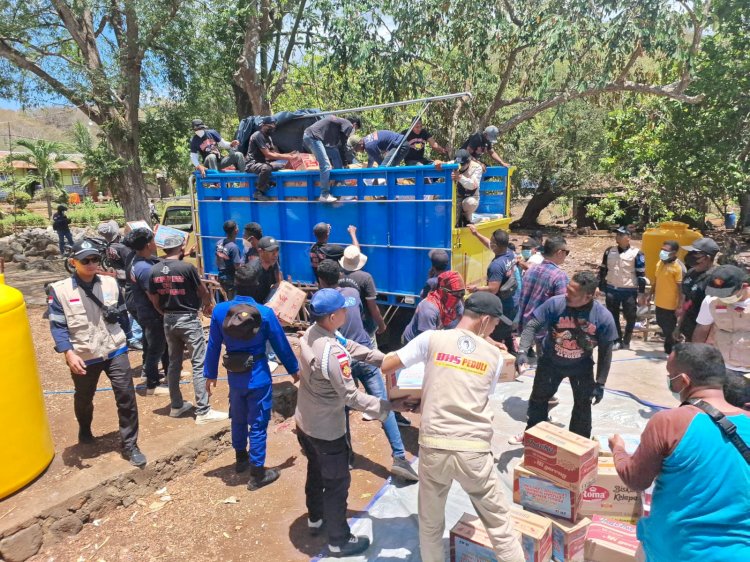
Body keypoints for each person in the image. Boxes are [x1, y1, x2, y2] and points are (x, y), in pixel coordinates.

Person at [381, 292, 524, 562]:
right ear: (484, 320)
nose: (494, 329)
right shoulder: (493, 356)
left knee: (431, 525)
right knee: (500, 528)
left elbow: (388, 364)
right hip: (473, 451)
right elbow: (472, 393)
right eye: (494, 324)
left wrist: (418, 396)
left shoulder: (431, 338)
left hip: (434, 446)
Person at [294, 288, 415, 558]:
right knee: (337, 483)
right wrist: (388, 407)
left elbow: (349, 346)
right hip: (327, 429)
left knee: (315, 470)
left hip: (305, 421)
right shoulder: (332, 355)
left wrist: (386, 359)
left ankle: (316, 517)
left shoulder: (314, 333)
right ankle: (339, 540)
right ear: (334, 316)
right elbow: (350, 396)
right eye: (344, 309)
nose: (348, 312)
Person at [609, 343, 750, 562]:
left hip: (677, 550)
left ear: (683, 381)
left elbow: (635, 479)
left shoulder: (669, 422)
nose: (669, 380)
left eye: (670, 375)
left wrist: (618, 450)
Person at [316, 259, 418, 480]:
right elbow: (363, 316)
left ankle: (347, 455)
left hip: (342, 357)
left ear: (321, 280)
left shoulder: (323, 303)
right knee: (383, 405)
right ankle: (400, 457)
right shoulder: (352, 292)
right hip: (364, 351)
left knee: (342, 406)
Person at [48, 240, 145, 466]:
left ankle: (130, 445)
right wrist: (68, 354)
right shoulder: (60, 291)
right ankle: (84, 428)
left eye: (94, 259)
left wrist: (129, 337)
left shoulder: (111, 283)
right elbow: (58, 326)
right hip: (84, 354)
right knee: (84, 397)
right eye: (85, 260)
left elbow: (122, 313)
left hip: (115, 349)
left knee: (126, 397)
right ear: (73, 262)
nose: (91, 264)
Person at [204, 264, 299, 490]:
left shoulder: (220, 311)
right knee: (257, 423)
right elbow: (281, 344)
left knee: (237, 418)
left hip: (234, 376)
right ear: (257, 284)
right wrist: (294, 370)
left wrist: (210, 374)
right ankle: (257, 475)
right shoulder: (265, 313)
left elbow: (213, 345)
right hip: (258, 375)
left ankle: (240, 460)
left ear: (235, 284)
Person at [515, 271, 618, 438]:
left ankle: (577, 446)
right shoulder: (555, 304)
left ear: (588, 296)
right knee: (538, 400)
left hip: (581, 366)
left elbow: (606, 352)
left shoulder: (603, 317)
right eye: (567, 289)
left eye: (572, 292)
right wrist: (522, 351)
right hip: (550, 362)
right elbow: (532, 326)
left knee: (583, 406)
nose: (566, 294)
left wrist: (600, 383)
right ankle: (533, 440)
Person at [148, 235, 228, 425]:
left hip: (168, 319)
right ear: (181, 247)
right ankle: (203, 410)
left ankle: (176, 405)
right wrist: (208, 305)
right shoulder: (187, 268)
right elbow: (201, 290)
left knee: (174, 363)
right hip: (188, 319)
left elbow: (153, 297)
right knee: (199, 363)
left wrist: (164, 312)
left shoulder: (154, 270)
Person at [692, 265, 750, 406]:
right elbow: (701, 329)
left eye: (727, 294)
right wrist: (696, 360)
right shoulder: (711, 302)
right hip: (723, 370)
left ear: (743, 286)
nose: (723, 298)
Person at [124, 228, 169, 395]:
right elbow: (153, 296)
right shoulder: (143, 268)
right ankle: (152, 384)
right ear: (148, 244)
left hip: (150, 313)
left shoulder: (140, 261)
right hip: (151, 314)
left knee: (160, 344)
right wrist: (162, 311)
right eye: (153, 239)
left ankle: (168, 371)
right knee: (155, 348)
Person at [466, 226, 518, 353]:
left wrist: (476, 289)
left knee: (495, 340)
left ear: (496, 245)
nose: (490, 243)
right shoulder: (510, 253)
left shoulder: (496, 266)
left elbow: (493, 289)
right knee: (507, 332)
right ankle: (513, 356)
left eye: (492, 241)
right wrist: (476, 234)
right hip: (512, 301)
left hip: (502, 306)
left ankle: (504, 364)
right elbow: (490, 244)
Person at [598, 226, 647, 350]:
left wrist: (641, 293)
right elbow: (603, 270)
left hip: (629, 290)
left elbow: (641, 275)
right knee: (612, 316)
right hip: (612, 289)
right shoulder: (609, 251)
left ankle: (627, 340)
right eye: (617, 234)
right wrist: (600, 287)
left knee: (630, 316)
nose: (617, 237)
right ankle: (617, 340)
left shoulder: (637, 253)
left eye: (621, 235)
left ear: (628, 237)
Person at [97, 220, 142, 350]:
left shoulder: (110, 247)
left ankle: (132, 335)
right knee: (135, 309)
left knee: (128, 309)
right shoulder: (122, 248)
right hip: (128, 281)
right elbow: (133, 263)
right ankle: (135, 336)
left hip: (120, 280)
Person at [303, 114, 361, 203]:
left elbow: (338, 147)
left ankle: (340, 182)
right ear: (355, 125)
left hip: (311, 136)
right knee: (325, 165)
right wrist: (345, 163)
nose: (353, 132)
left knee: (334, 152)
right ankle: (324, 194)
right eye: (356, 130)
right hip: (313, 137)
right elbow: (343, 145)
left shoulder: (339, 123)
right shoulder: (348, 124)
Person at [338, 245, 387, 342]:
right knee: (370, 354)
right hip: (364, 326)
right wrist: (381, 325)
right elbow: (372, 307)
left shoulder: (338, 275)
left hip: (343, 324)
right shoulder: (366, 278)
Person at [402, 271, 466, 343]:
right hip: (414, 342)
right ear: (444, 292)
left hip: (437, 334)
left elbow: (462, 322)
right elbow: (427, 341)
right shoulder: (429, 309)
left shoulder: (456, 300)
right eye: (456, 294)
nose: (460, 298)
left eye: (462, 294)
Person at [245, 116, 296, 201]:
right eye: (270, 127)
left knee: (282, 165)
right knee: (267, 168)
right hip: (252, 164)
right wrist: (288, 157)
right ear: (263, 125)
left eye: (273, 127)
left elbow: (274, 153)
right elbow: (268, 154)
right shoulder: (258, 135)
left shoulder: (268, 138)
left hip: (261, 163)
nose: (272, 129)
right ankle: (258, 192)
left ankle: (273, 184)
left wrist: (288, 154)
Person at [679, 237, 720, 341]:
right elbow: (686, 301)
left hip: (704, 333)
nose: (690, 256)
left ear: (707, 257)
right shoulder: (690, 273)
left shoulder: (716, 278)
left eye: (695, 253)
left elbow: (717, 312)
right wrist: (678, 326)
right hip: (687, 329)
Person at [651, 240, 684, 355]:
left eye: (665, 250)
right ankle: (671, 346)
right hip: (659, 302)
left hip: (671, 305)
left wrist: (680, 306)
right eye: (662, 249)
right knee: (661, 323)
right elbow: (656, 280)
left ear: (674, 253)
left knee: (669, 329)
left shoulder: (678, 267)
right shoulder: (660, 263)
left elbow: (681, 289)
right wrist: (650, 293)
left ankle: (672, 350)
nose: (662, 252)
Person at [246, 236, 282, 304]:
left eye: (277, 250)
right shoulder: (252, 271)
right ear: (260, 252)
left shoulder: (273, 266)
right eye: (271, 251)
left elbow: (277, 285)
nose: (275, 254)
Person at [453, 149, 483, 227]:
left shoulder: (476, 167)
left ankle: (466, 218)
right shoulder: (453, 165)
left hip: (471, 197)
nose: (460, 166)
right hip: (456, 198)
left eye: (462, 164)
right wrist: (438, 163)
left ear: (468, 162)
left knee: (469, 202)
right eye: (458, 164)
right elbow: (442, 164)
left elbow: (473, 185)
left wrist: (459, 177)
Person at [216, 220, 244, 300]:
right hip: (231, 280)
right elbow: (237, 267)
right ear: (236, 231)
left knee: (224, 300)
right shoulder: (233, 247)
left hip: (221, 276)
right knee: (232, 303)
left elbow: (218, 259)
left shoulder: (219, 243)